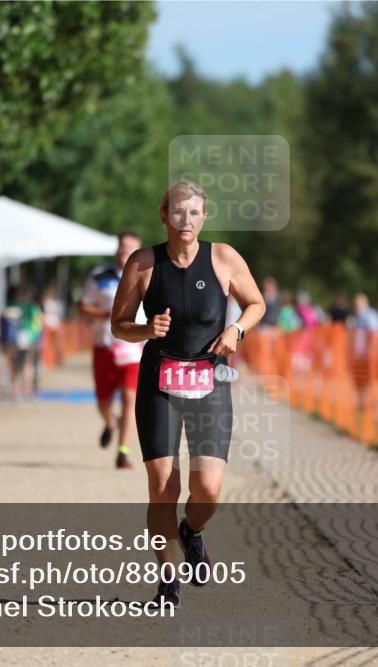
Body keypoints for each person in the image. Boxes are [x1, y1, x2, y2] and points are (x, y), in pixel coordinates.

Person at [111, 180, 265, 608]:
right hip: (158, 382)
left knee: (208, 490)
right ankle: (167, 581)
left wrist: (236, 329)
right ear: (164, 215)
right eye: (178, 211)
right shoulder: (143, 264)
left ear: (204, 217)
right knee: (163, 487)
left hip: (209, 381)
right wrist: (145, 330)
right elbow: (117, 324)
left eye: (194, 212)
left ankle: (192, 532)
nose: (186, 220)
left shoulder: (224, 258)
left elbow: (256, 304)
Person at [79, 231, 146, 469]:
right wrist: (105, 314)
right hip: (104, 347)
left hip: (133, 348)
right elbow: (83, 307)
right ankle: (109, 422)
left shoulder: (147, 276)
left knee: (130, 398)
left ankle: (123, 451)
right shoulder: (100, 277)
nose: (123, 252)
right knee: (103, 401)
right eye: (121, 247)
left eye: (129, 249)